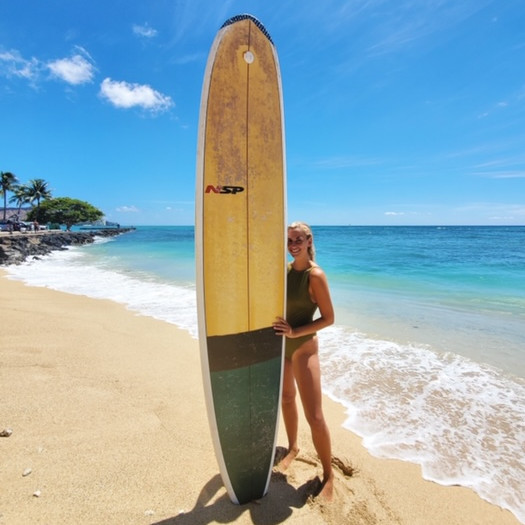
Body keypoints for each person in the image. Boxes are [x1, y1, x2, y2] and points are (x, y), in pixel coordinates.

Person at [273, 221, 335, 501]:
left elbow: (329, 318)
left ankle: (328, 473)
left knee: (315, 416)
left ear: (309, 241)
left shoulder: (316, 275)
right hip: (281, 345)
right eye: (289, 241)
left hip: (303, 348)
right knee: (286, 398)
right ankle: (293, 448)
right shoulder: (283, 271)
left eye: (298, 239)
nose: (293, 245)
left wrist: (295, 331)